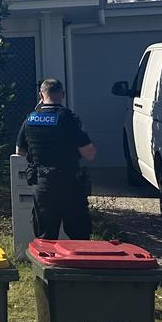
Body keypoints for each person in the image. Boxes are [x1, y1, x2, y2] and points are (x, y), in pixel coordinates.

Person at [15, 78, 97, 240]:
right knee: (79, 235)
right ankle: (79, 265)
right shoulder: (69, 119)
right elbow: (90, 153)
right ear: (63, 95)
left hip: (43, 185)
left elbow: (19, 151)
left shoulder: (30, 119)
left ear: (41, 95)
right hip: (70, 184)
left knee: (45, 237)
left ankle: (47, 265)